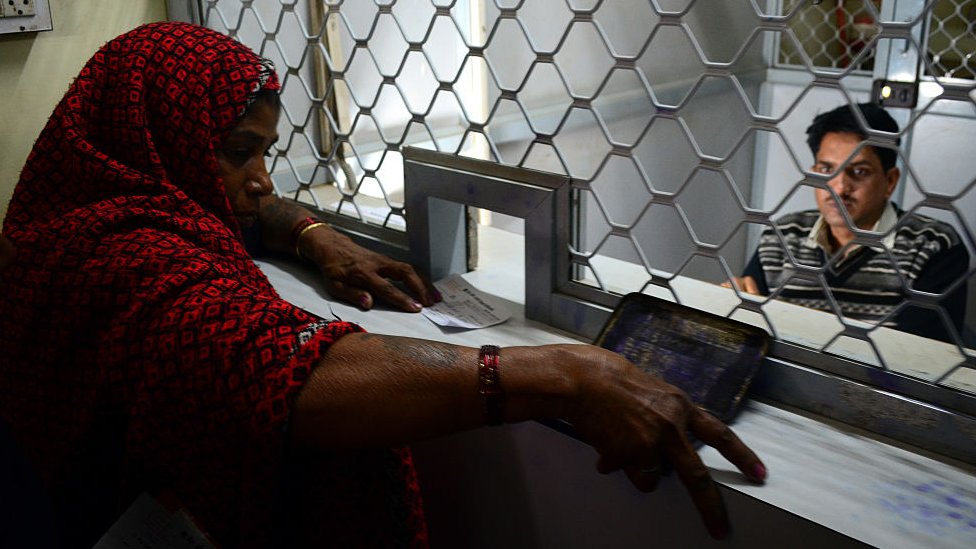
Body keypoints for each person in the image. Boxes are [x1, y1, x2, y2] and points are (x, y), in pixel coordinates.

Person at [0, 22, 766, 548]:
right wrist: (564, 375)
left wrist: (310, 232)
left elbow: (243, 208)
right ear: (157, 135)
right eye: (240, 150)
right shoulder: (120, 266)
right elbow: (285, 373)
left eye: (266, 150)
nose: (261, 178)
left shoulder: (88, 201)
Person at [726, 102, 969, 342]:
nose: (839, 188)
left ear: (890, 181)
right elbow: (750, 332)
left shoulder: (935, 246)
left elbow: (918, 361)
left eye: (860, 172)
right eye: (827, 169)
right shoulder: (782, 235)